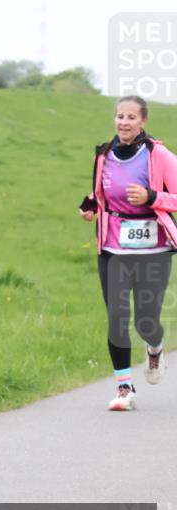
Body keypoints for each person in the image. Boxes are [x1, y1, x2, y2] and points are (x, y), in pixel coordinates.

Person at [78, 95, 177, 410]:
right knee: (117, 317)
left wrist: (151, 196)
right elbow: (100, 192)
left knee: (146, 320)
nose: (124, 122)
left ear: (143, 121)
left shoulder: (158, 154)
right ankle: (124, 389)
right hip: (113, 247)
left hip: (153, 248)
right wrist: (91, 206)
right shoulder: (104, 154)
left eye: (131, 117)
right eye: (120, 116)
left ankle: (154, 347)